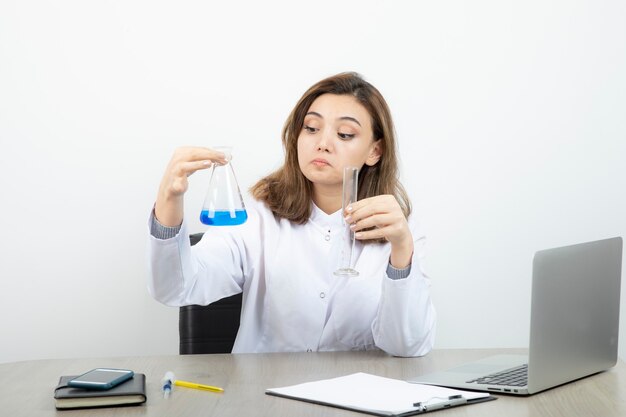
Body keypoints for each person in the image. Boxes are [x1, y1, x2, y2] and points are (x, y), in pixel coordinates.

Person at [147, 72, 436, 357]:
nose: (322, 143)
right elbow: (177, 288)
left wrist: (400, 249)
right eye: (311, 128)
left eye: (345, 134)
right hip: (263, 395)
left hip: (356, 397)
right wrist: (169, 202)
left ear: (375, 150)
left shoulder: (399, 228)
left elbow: (407, 346)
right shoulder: (258, 217)